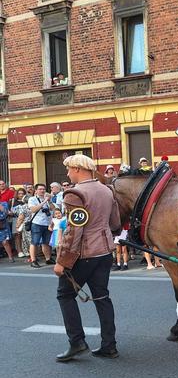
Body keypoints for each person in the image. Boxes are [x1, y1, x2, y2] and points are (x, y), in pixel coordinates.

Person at [53, 154, 122, 362]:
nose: (67, 173)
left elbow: (74, 232)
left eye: (69, 169)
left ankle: (77, 342)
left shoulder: (74, 194)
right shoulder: (107, 190)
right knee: (102, 297)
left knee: (65, 295)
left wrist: (62, 262)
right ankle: (109, 345)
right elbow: (115, 222)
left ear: (77, 169)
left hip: (84, 255)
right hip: (104, 252)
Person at [28, 183, 55, 268]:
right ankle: (33, 260)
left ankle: (48, 259)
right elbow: (33, 209)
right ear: (36, 191)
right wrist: (44, 201)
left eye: (43, 189)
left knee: (46, 242)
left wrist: (49, 201)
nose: (42, 191)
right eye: (40, 189)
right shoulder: (32, 199)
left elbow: (53, 209)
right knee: (35, 242)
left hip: (47, 223)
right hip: (37, 223)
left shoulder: (47, 199)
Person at [10, 188, 28, 257]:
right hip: (16, 219)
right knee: (17, 235)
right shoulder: (12, 201)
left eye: (22, 194)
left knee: (26, 236)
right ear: (16, 194)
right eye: (19, 193)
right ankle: (19, 251)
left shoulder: (26, 201)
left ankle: (26, 250)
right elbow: (9, 210)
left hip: (25, 219)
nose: (21, 195)